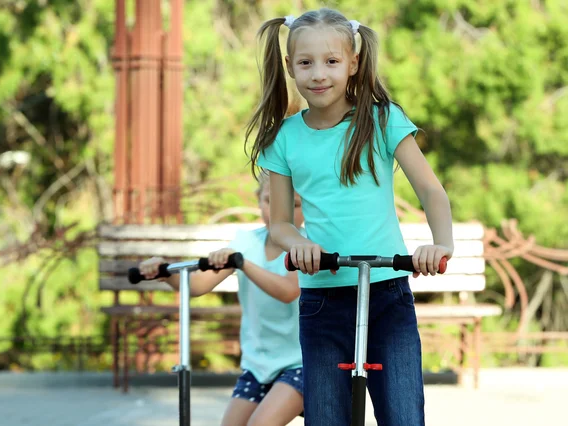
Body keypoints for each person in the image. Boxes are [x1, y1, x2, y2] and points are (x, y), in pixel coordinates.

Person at [245, 8, 455, 426]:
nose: (318, 74)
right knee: (325, 417)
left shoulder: (381, 119)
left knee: (403, 414)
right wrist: (298, 243)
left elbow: (431, 190)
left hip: (387, 292)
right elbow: (281, 222)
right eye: (305, 63)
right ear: (289, 67)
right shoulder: (283, 138)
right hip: (323, 296)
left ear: (353, 63)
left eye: (331, 61)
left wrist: (441, 243)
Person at [138, 171, 305, 426]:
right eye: (271, 201)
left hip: (300, 364)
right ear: (259, 200)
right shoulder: (246, 242)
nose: (282, 211)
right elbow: (196, 286)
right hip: (258, 365)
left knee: (260, 425)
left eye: (294, 205)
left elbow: (288, 291)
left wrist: (243, 263)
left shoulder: (304, 247)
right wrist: (164, 272)